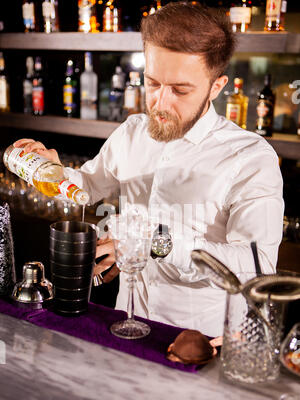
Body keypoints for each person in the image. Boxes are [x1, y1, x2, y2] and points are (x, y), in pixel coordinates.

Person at [13, 3, 284, 337]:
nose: (160, 103)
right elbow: (87, 185)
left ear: (216, 87)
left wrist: (155, 243)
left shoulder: (250, 157)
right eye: (153, 83)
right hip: (123, 324)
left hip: (197, 341)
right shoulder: (132, 132)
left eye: (180, 90)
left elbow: (256, 268)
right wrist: (50, 171)